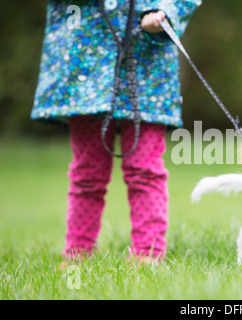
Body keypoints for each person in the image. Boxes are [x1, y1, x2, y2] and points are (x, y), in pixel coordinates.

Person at [31, 0, 201, 263]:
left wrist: (166, 11)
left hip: (147, 66)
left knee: (146, 169)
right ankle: (77, 254)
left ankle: (148, 255)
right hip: (85, 66)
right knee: (87, 171)